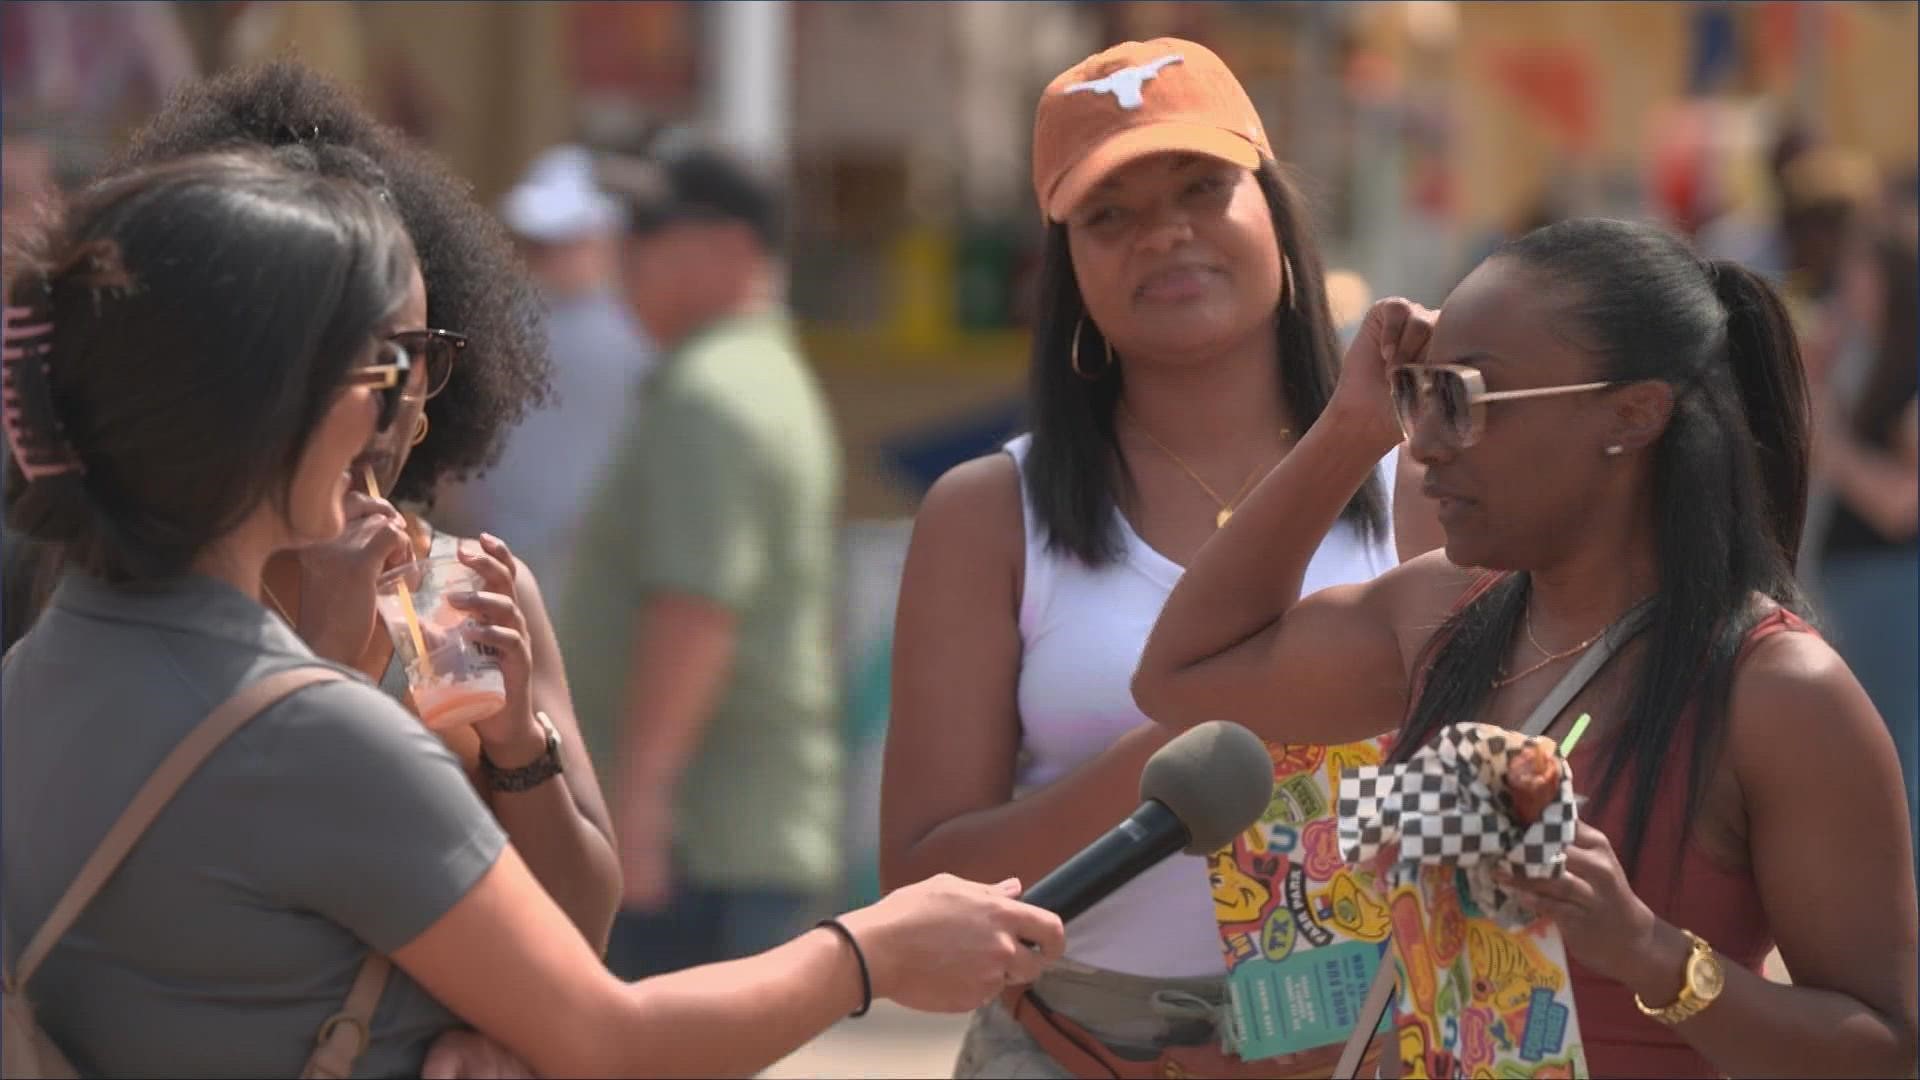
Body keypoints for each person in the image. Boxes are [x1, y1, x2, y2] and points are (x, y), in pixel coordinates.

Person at [0, 149, 1065, 1080]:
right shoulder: (311, 733)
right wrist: (870, 954)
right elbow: (607, 1039)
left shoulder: (49, 658)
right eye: (380, 367)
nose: (396, 416)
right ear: (267, 397)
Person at [1132, 216, 1918, 1077]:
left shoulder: (1778, 691)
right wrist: (1352, 426)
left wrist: (1652, 953)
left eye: (1464, 397)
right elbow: (1183, 674)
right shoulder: (1442, 611)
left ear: (1632, 414)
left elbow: (1884, 1051)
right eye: (1416, 393)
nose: (1423, 444)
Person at [879, 38, 1443, 1079]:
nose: (1165, 235)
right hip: (1076, 1046)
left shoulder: (1417, 477)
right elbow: (923, 880)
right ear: (1065, 267)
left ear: (1274, 210)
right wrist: (1182, 757)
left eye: (1201, 186)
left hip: (1368, 1041)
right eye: (1110, 214)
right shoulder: (991, 513)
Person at [104, 60, 623, 949]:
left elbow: (580, 925)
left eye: (411, 353)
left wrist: (513, 745)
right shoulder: (131, 589)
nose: (383, 399)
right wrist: (322, 670)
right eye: (337, 352)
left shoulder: (457, 592)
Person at [558, 134, 846, 980]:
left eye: (650, 226)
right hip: (729, 834)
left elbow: (696, 610)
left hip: (697, 847)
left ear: (731, 248)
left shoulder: (711, 394)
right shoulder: (757, 374)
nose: (624, 250)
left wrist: (639, 814)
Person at [436, 143, 656, 590]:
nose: (547, 257)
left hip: (597, 569)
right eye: (538, 244)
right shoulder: (494, 320)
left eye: (563, 241)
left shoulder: (646, 331)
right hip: (497, 555)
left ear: (606, 237)